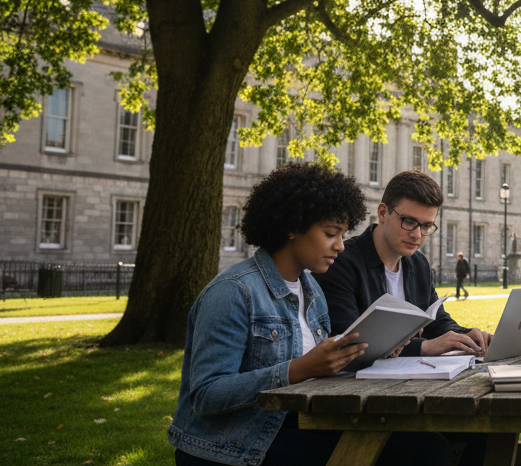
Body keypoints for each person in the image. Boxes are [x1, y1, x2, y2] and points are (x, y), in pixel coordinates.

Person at [169, 163, 451, 466]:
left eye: (342, 234)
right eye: (331, 234)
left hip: (295, 420)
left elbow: (322, 369)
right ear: (293, 227)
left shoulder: (312, 290)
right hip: (237, 442)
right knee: (394, 457)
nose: (340, 246)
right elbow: (206, 394)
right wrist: (299, 369)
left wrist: (375, 350)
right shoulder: (233, 291)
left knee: (427, 447)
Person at [316, 171, 491, 356]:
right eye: (408, 222)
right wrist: (423, 347)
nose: (417, 235)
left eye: (426, 226)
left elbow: (437, 322)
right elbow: (347, 342)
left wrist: (467, 336)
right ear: (383, 213)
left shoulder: (419, 264)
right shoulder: (341, 263)